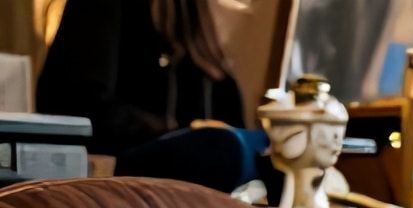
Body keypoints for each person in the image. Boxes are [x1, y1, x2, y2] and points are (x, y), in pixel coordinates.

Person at [36, 0, 255, 192]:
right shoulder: (103, 7)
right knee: (226, 149)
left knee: (264, 147)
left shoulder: (193, 19)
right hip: (120, 168)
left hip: (193, 175)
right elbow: (78, 105)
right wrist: (177, 133)